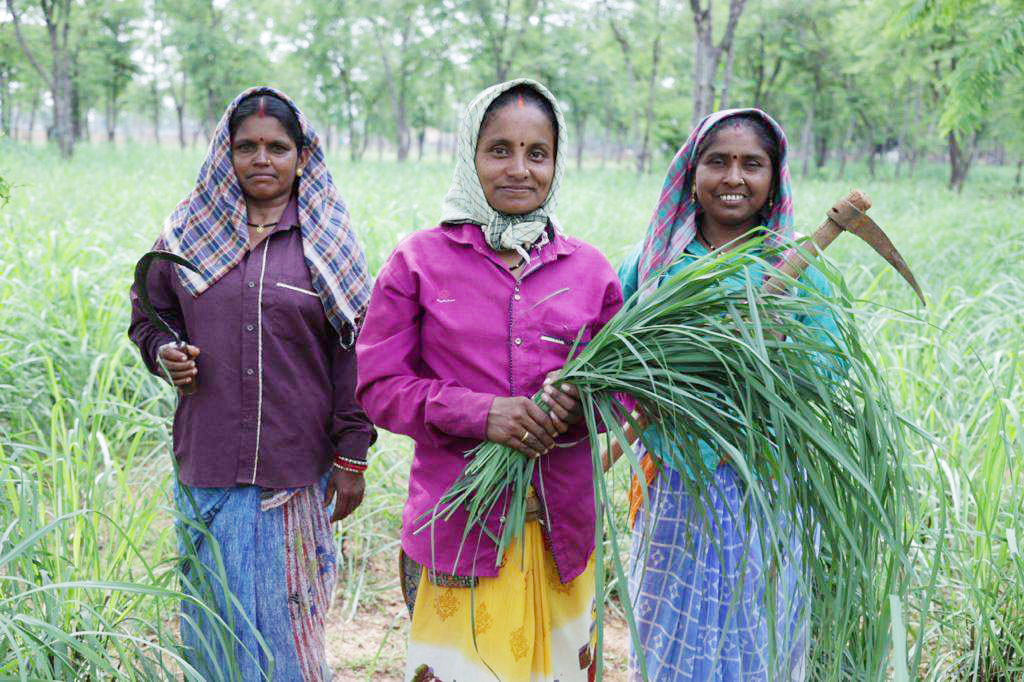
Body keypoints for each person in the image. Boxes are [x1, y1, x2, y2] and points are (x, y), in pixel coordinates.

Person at [355, 79, 623, 682]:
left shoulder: (591, 270)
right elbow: (378, 386)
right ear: (469, 157)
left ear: (557, 163)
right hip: (459, 526)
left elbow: (623, 389)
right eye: (499, 149)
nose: (519, 170)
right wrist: (481, 413)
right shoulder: (419, 261)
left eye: (538, 153)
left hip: (563, 531)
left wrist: (583, 402)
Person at [128, 86, 375, 681]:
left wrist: (352, 454)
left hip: (293, 472)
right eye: (247, 146)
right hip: (206, 463)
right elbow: (149, 314)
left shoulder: (328, 244)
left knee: (284, 643)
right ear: (226, 152)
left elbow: (356, 351)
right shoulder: (188, 235)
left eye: (277, 147)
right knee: (213, 634)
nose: (262, 159)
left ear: (302, 155)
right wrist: (164, 352)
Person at [617, 108, 839, 681]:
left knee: (755, 635)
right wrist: (665, 376)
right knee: (668, 634)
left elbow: (830, 365)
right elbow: (606, 356)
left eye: (752, 164)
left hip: (765, 485)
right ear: (692, 174)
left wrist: (770, 357)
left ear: (773, 179)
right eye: (718, 161)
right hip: (675, 482)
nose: (733, 177)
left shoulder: (795, 273)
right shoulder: (654, 267)